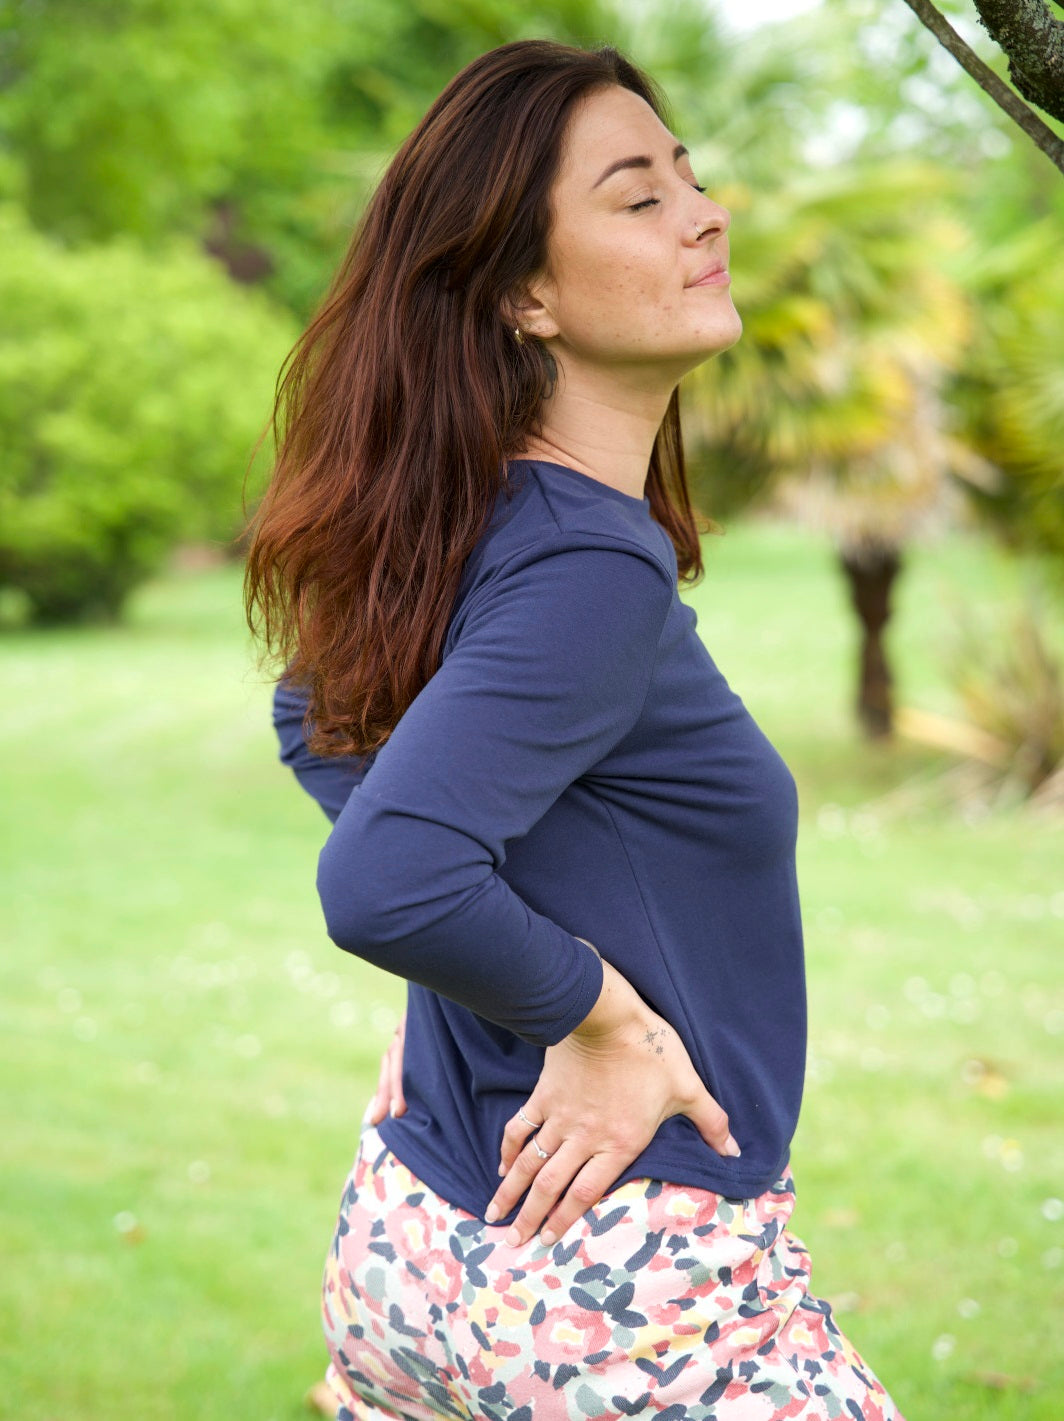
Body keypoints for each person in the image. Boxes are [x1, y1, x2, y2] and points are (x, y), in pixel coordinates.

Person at [245, 38, 906, 1421]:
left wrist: (490, 978)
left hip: (418, 1237)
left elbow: (316, 715)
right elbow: (387, 876)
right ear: (526, 294)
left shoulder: (473, 517)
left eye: (692, 176)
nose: (706, 211)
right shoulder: (590, 567)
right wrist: (595, 1016)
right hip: (627, 1284)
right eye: (638, 194)